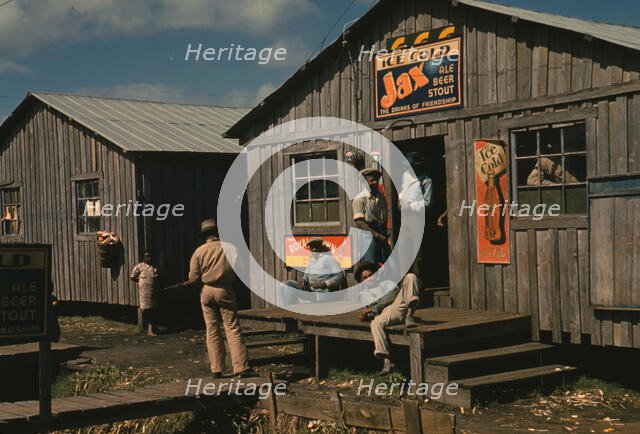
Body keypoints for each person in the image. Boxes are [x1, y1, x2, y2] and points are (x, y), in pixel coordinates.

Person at [182, 219, 254, 379]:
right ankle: (241, 367)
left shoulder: (199, 251)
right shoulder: (230, 248)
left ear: (205, 236)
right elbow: (241, 270)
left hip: (207, 290)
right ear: (218, 233)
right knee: (232, 328)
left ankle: (216, 368)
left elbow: (193, 277)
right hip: (225, 289)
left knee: (212, 329)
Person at [355, 262, 420, 374]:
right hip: (386, 314)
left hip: (399, 306)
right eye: (365, 278)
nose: (369, 279)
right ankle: (386, 360)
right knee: (375, 323)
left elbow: (392, 296)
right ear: (362, 281)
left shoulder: (386, 284)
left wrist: (374, 308)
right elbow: (371, 312)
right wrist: (366, 315)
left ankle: (410, 315)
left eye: (371, 275)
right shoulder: (364, 294)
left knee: (410, 276)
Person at [280, 237, 346, 305]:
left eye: (315, 247)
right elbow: (305, 278)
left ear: (321, 247)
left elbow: (339, 276)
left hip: (323, 292)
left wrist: (325, 283)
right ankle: (289, 308)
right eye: (311, 247)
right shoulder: (312, 261)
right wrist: (303, 282)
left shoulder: (328, 258)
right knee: (287, 285)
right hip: (310, 291)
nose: (313, 249)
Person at [398, 152, 432, 278]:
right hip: (405, 218)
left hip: (417, 218)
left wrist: (410, 206)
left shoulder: (426, 181)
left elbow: (427, 203)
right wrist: (400, 200)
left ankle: (418, 280)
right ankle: (405, 280)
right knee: (402, 249)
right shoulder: (406, 175)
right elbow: (402, 190)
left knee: (417, 252)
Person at [352, 168, 391, 267]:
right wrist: (376, 235)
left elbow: (384, 217)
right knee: (370, 266)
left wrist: (384, 233)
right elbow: (359, 222)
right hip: (368, 236)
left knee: (390, 264)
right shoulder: (359, 199)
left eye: (376, 180)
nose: (375, 182)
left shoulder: (381, 198)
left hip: (381, 235)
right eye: (371, 180)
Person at [130, 250, 160, 336]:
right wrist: (140, 282)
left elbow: (159, 277)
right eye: (146, 256)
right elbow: (132, 277)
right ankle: (148, 329)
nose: (148, 258)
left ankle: (152, 328)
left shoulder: (155, 267)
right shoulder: (139, 266)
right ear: (143, 258)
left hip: (153, 291)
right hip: (143, 292)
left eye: (150, 256)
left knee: (153, 309)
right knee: (145, 310)